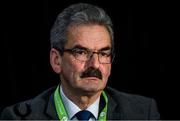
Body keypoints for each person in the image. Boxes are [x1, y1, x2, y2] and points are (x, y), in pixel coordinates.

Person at [0, 3, 160, 120]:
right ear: (56, 60)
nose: (95, 64)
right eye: (82, 52)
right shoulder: (19, 117)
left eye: (104, 54)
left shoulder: (143, 113)